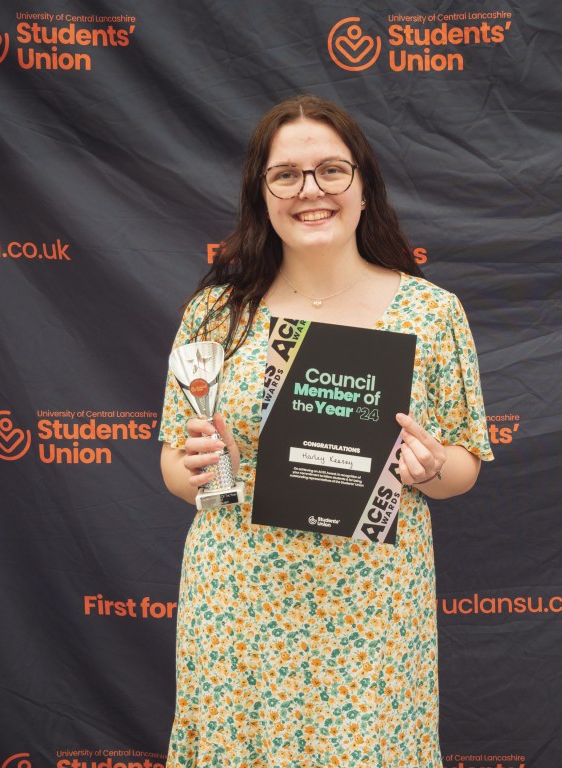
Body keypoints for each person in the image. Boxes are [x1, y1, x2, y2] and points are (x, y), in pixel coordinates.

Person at [159, 94, 492, 767]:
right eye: (286, 175)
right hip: (239, 604)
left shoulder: (430, 313)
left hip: (371, 609)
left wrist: (429, 469)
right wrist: (199, 462)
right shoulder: (216, 314)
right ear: (261, 194)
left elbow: (464, 464)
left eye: (331, 170)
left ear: (364, 186)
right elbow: (175, 466)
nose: (310, 191)